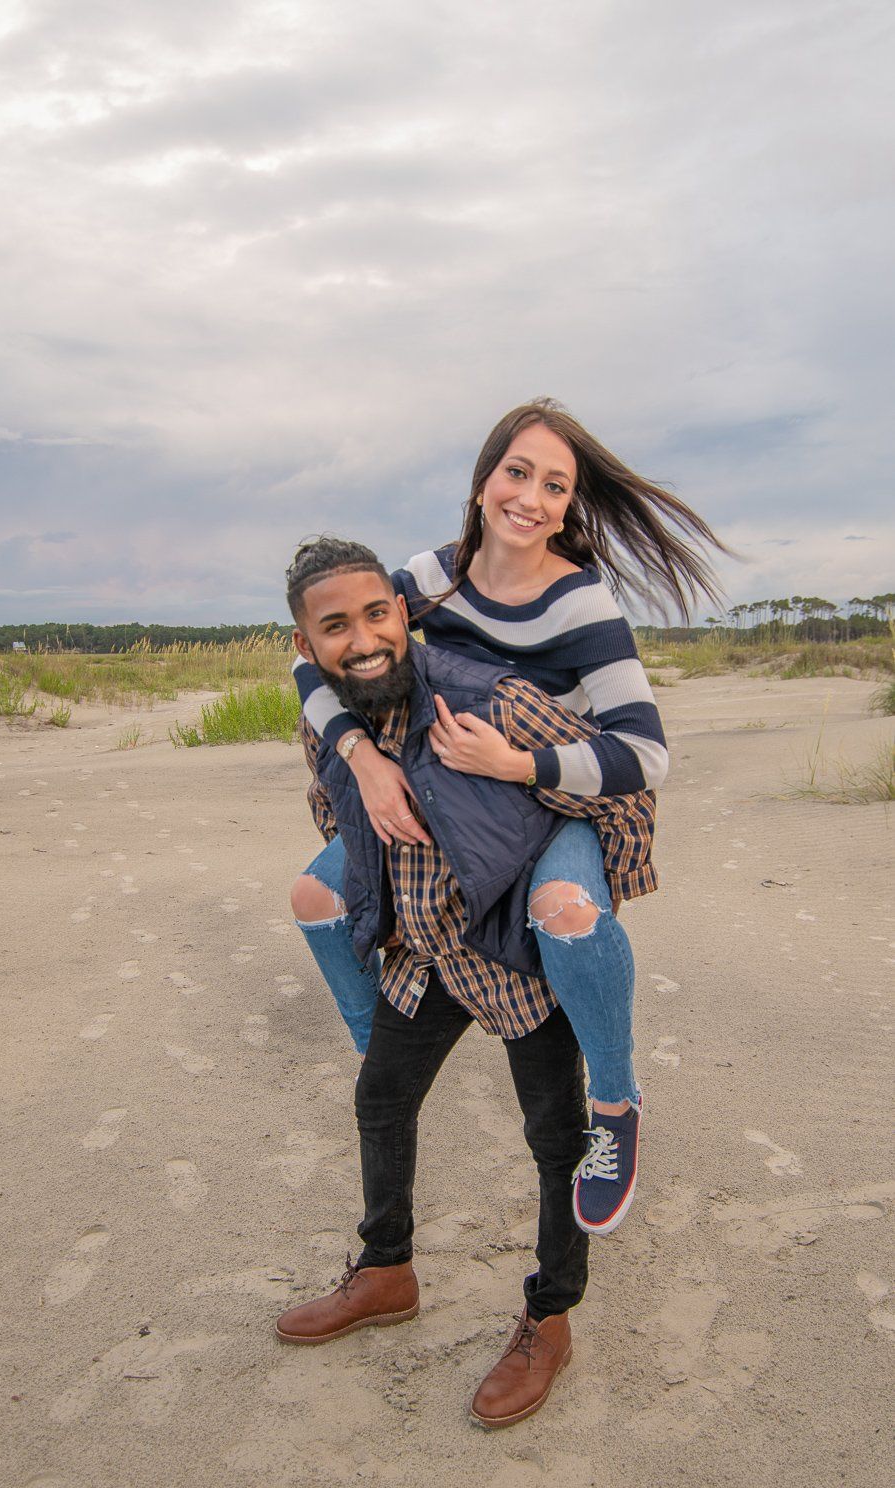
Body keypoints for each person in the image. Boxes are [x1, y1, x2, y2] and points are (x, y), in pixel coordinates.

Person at [291, 399, 723, 1235]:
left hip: (549, 797)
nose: (531, 497)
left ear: (569, 506)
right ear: (484, 480)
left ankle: (614, 1102)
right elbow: (309, 659)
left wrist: (516, 763)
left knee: (561, 912)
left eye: (555, 486)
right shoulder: (429, 575)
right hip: (452, 799)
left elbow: (646, 754)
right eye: (517, 473)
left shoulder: (579, 605)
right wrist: (363, 757)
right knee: (316, 899)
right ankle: (373, 1034)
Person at [276, 537, 665, 1425]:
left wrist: (580, 898)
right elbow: (331, 811)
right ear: (306, 647)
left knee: (554, 1138)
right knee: (380, 1099)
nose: (363, 639)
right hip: (427, 951)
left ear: (404, 614)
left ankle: (549, 1317)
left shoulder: (492, 703)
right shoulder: (328, 723)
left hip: (516, 958)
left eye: (378, 614)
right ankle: (386, 1272)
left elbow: (627, 792)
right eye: (334, 627)